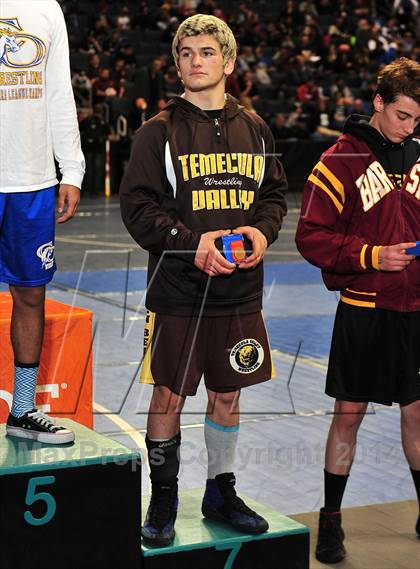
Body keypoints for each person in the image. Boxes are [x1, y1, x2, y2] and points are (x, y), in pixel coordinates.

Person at [120, 14, 287, 547]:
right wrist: (195, 245)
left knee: (229, 395)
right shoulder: (158, 131)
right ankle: (164, 496)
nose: (195, 61)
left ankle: (220, 490)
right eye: (186, 53)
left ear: (229, 62)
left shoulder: (255, 128)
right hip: (178, 294)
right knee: (168, 395)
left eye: (206, 52)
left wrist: (261, 234)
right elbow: (138, 209)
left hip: (239, 292)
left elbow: (273, 199)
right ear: (176, 64)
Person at [295, 57, 420, 563]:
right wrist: (370, 256)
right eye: (403, 116)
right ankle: (331, 520)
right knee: (349, 415)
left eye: (418, 120)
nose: (411, 128)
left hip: (415, 308)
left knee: (417, 415)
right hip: (365, 308)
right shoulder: (339, 160)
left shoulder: (418, 157)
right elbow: (311, 237)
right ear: (378, 104)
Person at [0, 1, 85, 444]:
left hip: (30, 177)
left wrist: (72, 168)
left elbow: (58, 92)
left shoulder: (44, 8)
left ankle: (23, 408)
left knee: (30, 294)